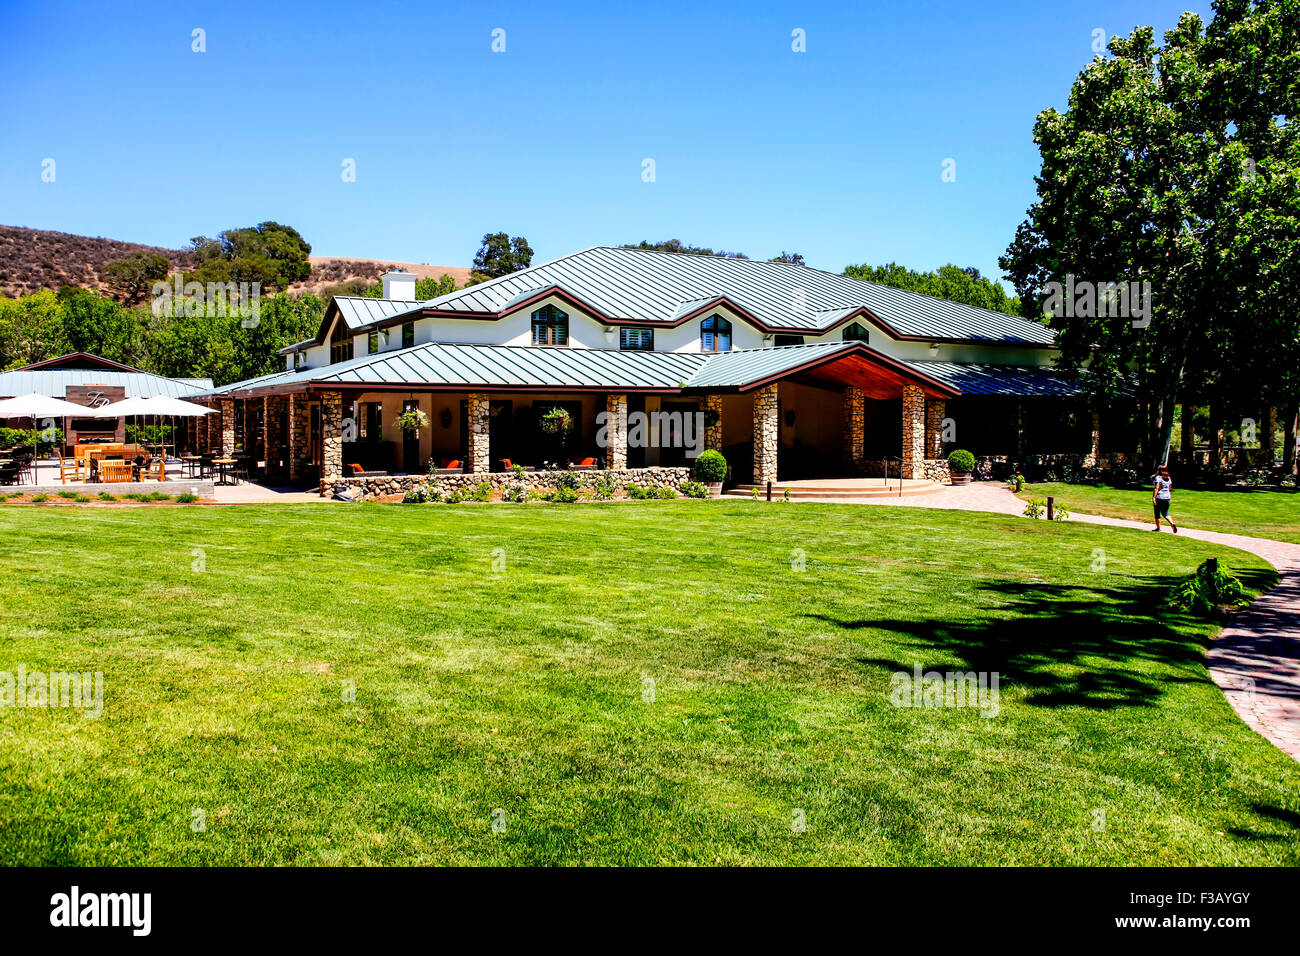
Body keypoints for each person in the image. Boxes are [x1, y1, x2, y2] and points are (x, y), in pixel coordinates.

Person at [1153, 465, 1177, 533]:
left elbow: (1157, 488)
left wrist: (1154, 497)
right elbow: (1169, 488)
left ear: (1159, 470)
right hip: (1167, 497)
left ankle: (1158, 528)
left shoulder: (1158, 477)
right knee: (1165, 513)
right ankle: (1172, 524)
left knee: (1157, 512)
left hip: (1159, 497)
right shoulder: (1169, 478)